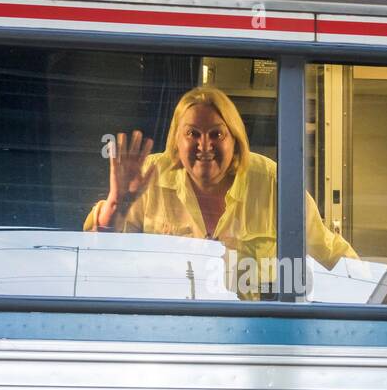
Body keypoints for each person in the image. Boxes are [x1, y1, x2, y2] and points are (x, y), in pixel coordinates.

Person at [84, 86, 357, 297]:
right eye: (192, 133)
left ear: (235, 140)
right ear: (175, 141)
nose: (204, 145)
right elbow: (98, 261)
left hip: (253, 337)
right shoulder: (147, 176)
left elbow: (332, 255)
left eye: (216, 134)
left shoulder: (273, 183)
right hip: (167, 336)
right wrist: (118, 202)